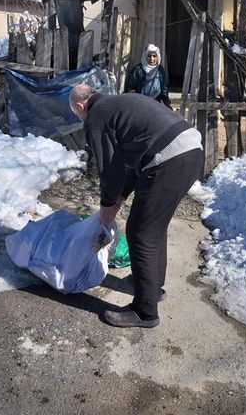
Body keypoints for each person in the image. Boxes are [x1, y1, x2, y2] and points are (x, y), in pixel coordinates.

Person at [69, 84, 204, 328]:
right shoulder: (119, 104)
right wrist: (119, 197)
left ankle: (145, 311)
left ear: (80, 106)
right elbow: (128, 163)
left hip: (169, 159)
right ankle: (153, 288)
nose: (80, 118)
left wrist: (108, 206)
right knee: (152, 228)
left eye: (77, 114)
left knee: (140, 233)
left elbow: (109, 169)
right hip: (190, 152)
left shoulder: (96, 117)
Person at [125, 44, 171, 108]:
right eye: (149, 56)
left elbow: (163, 89)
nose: (152, 59)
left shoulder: (160, 70)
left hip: (156, 103)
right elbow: (130, 88)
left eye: (154, 56)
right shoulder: (138, 69)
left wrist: (167, 103)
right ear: (145, 56)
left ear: (158, 57)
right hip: (141, 104)